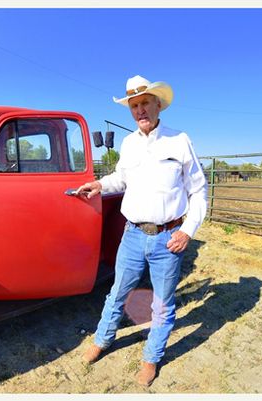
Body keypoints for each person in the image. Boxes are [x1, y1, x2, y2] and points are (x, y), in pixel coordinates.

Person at [75, 75, 208, 386]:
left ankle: (151, 358)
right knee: (118, 292)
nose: (140, 110)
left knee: (162, 303)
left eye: (145, 102)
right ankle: (102, 340)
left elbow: (199, 191)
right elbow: (121, 178)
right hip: (132, 234)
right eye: (134, 105)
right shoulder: (129, 143)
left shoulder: (179, 141)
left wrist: (187, 231)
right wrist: (99, 184)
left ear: (158, 104)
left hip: (168, 237)